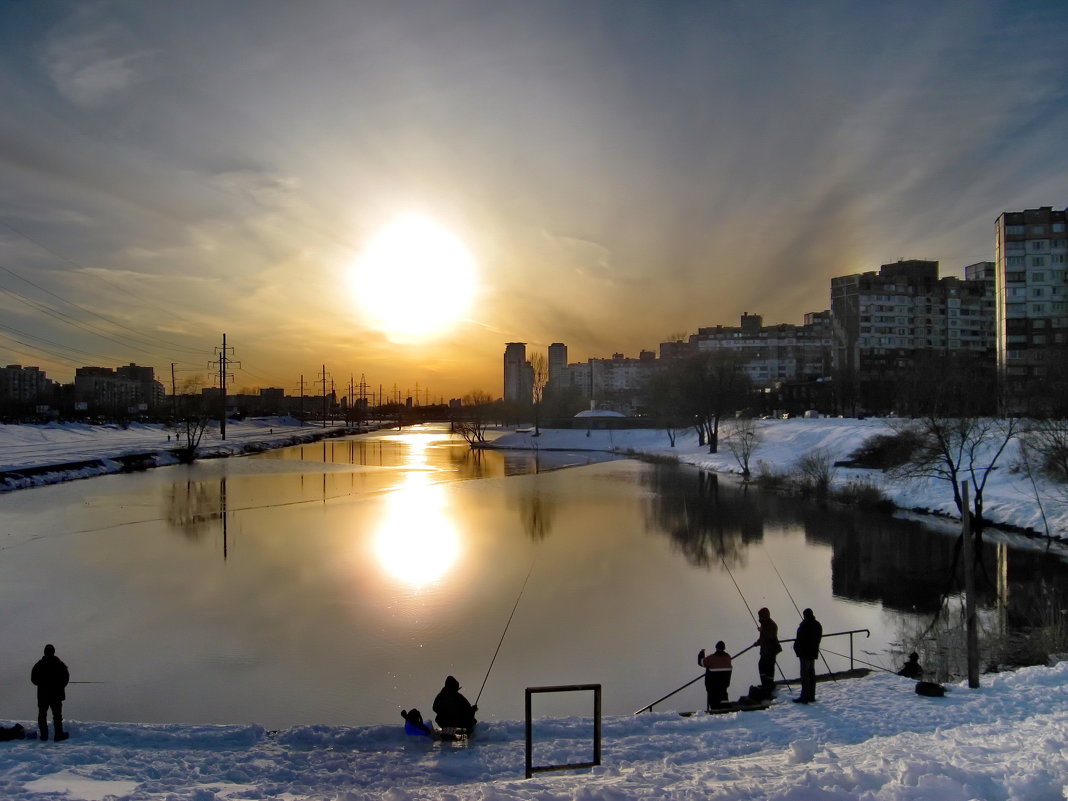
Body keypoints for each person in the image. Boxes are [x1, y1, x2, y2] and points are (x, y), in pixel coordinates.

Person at [31, 644, 69, 742]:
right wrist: (59, 686)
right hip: (56, 695)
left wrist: (42, 682)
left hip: (43, 695)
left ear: (44, 652)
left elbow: (33, 680)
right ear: (53, 652)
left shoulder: (39, 664)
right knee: (57, 715)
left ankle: (44, 736)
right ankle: (58, 735)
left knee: (42, 715)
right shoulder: (60, 664)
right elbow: (65, 678)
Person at [793, 608, 823, 704]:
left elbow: (800, 639)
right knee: (811, 675)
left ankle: (804, 696)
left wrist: (797, 648)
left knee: (805, 675)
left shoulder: (804, 625)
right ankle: (811, 696)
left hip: (805, 654)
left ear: (805, 615)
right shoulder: (817, 625)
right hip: (813, 653)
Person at [754, 607, 781, 698]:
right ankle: (765, 684)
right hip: (765, 651)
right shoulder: (764, 625)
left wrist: (762, 630)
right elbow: (762, 638)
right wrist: (758, 643)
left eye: (760, 616)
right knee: (762, 666)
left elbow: (770, 636)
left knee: (769, 668)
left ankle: (769, 686)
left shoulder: (772, 625)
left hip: (771, 650)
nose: (759, 618)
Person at [697, 641, 733, 710]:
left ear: (716, 648)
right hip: (724, 685)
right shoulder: (728, 657)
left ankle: (715, 710)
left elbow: (701, 662)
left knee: (714, 702)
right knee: (723, 696)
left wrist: (701, 654)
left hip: (712, 686)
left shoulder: (711, 658)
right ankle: (724, 707)